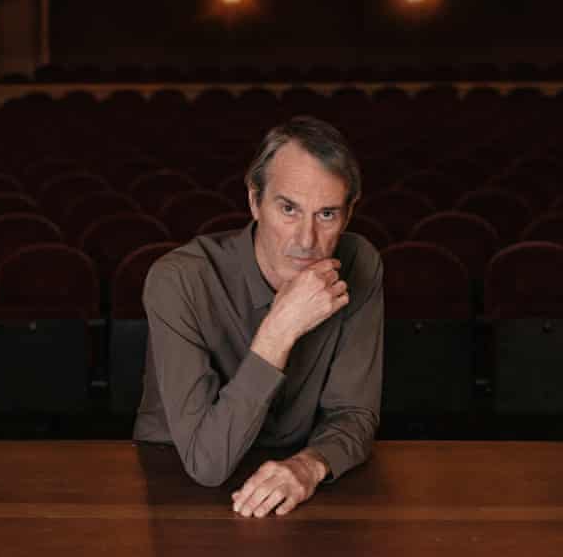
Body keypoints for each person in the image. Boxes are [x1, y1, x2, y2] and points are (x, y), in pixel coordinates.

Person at [133, 116, 383, 518]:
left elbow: (354, 414)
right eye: (288, 209)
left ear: (349, 214)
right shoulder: (179, 279)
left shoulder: (360, 264)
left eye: (327, 215)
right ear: (254, 202)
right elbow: (207, 463)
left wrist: (308, 465)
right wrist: (278, 332)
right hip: (179, 481)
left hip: (294, 482)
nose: (306, 241)